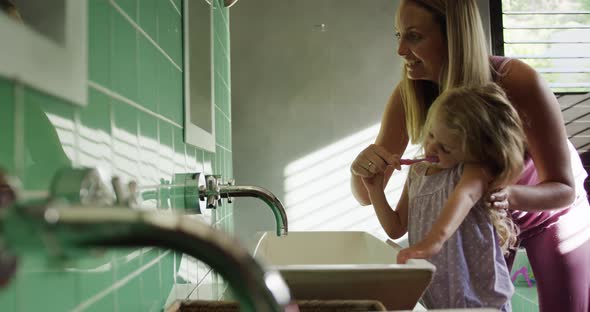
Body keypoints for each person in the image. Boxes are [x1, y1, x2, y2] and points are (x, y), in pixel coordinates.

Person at [350, 0, 590, 311]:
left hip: (548, 215)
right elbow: (369, 195)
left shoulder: (516, 81)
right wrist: (361, 170)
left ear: (453, 36)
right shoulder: (411, 93)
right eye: (398, 36)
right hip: (485, 219)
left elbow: (563, 190)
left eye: (414, 36)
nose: (401, 51)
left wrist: (508, 196)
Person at [364, 83, 523, 311]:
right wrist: (375, 190)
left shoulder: (473, 172)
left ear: (475, 151)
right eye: (430, 135)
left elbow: (465, 196)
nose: (430, 148)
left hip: (482, 302)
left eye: (445, 148)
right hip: (440, 300)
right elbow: (396, 227)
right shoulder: (418, 173)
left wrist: (432, 242)